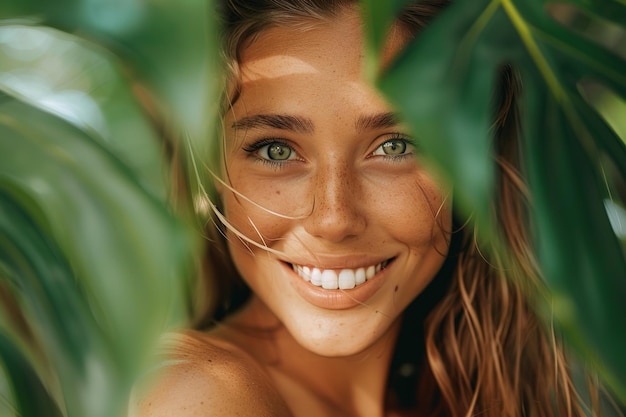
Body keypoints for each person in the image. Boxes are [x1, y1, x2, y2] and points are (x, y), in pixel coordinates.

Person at [130, 0, 606, 416]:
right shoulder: (196, 392)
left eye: (396, 146)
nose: (334, 220)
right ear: (212, 171)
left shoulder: (485, 391)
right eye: (276, 150)